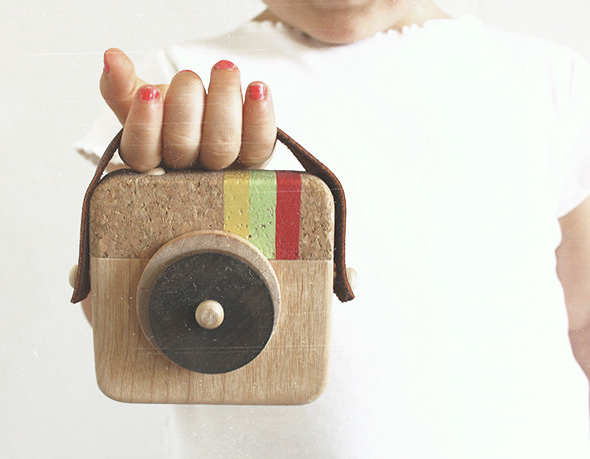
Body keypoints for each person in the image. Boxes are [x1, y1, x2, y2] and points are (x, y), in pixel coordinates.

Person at [77, 0, 590, 457]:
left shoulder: (550, 76)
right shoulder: (183, 85)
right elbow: (116, 324)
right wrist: (164, 211)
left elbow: (581, 310)